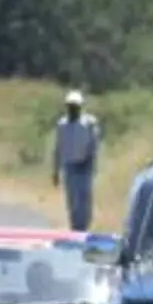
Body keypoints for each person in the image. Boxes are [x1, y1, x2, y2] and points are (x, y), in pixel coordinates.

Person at [50, 90, 103, 231]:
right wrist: (55, 170)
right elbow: (58, 148)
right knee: (73, 201)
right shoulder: (62, 125)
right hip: (70, 166)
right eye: (70, 106)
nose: (73, 109)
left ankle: (84, 228)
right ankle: (75, 229)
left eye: (75, 106)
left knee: (85, 201)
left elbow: (94, 145)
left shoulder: (89, 123)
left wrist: (92, 164)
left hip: (84, 166)